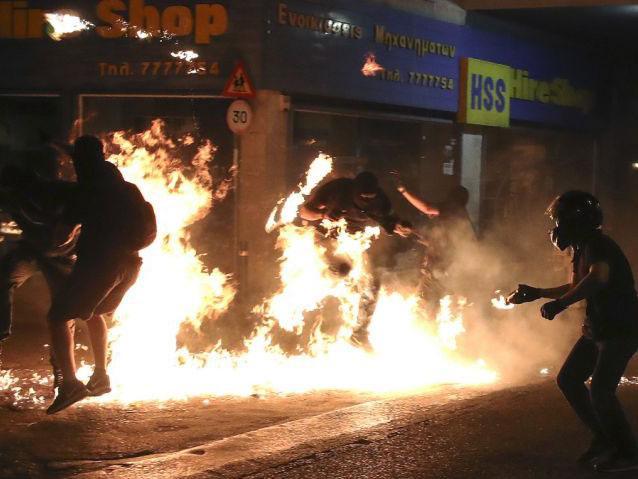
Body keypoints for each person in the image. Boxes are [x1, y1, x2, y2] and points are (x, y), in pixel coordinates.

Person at [507, 191, 638, 473]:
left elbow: (598, 278)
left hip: (620, 329)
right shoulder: (583, 247)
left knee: (601, 391)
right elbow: (577, 284)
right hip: (600, 327)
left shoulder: (596, 245)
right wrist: (538, 293)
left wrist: (560, 305)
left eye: (558, 221)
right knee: (569, 379)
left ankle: (628, 452)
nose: (555, 229)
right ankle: (605, 439)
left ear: (573, 221)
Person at [47, 135, 156, 414]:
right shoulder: (126, 187)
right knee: (93, 311)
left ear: (80, 163)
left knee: (58, 315)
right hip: (130, 266)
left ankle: (70, 384)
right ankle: (101, 376)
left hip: (102, 264)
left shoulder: (85, 191)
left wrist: (55, 246)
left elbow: (61, 236)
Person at [299, 171, 412, 349]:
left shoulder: (380, 201)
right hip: (325, 239)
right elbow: (304, 212)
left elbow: (391, 222)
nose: (367, 202)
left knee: (372, 281)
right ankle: (320, 329)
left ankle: (359, 333)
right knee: (342, 270)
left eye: (370, 197)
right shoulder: (337, 190)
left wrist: (401, 228)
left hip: (353, 243)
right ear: (354, 190)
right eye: (363, 197)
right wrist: (323, 216)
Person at [0, 162, 79, 389]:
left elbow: (83, 203)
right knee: (3, 278)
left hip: (63, 254)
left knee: (62, 312)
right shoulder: (11, 196)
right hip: (34, 249)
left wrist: (72, 226)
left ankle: (63, 374)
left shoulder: (55, 191)